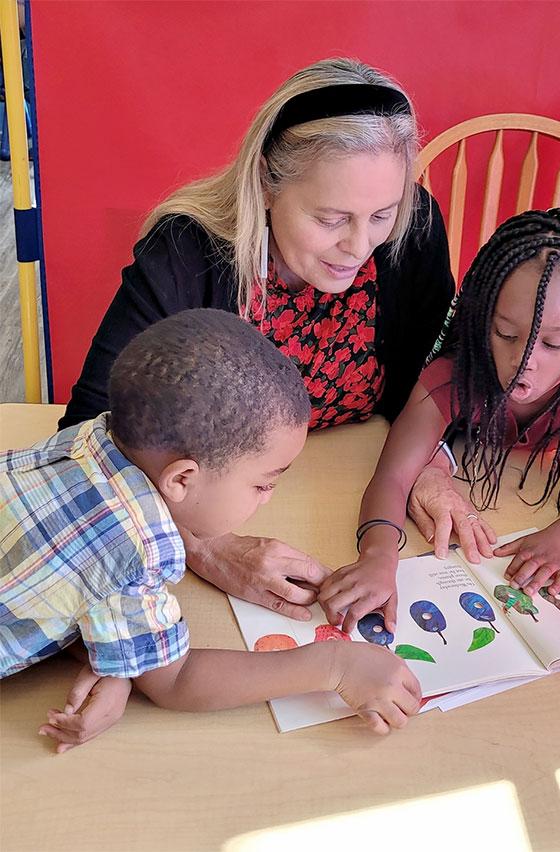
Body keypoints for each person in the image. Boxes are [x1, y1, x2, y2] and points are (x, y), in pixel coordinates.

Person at [57, 57, 481, 620]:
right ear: (265, 182)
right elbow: (85, 435)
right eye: (331, 219)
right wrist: (202, 548)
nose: (359, 246)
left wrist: (430, 463)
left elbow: (432, 372)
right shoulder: (186, 252)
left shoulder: (412, 229)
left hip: (350, 485)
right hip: (212, 510)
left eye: (380, 214)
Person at [2, 310, 420, 752]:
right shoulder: (140, 549)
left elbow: (67, 577)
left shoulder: (92, 436)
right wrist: (336, 665)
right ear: (181, 479)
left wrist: (117, 660)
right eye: (263, 483)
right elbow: (176, 681)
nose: (267, 499)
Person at [319, 209, 560, 633]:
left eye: (554, 343)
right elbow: (392, 478)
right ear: (483, 318)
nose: (524, 362)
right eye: (505, 334)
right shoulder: (455, 368)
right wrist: (377, 557)